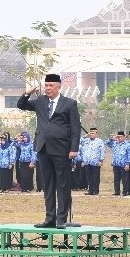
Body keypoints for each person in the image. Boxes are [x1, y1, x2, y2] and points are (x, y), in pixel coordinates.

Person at [16, 74, 81, 228]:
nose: (48, 88)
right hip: (43, 147)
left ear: (59, 87)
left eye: (51, 85)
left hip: (62, 150)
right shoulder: (40, 101)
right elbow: (21, 105)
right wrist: (28, 93)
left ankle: (61, 219)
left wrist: (74, 149)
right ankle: (49, 218)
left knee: (63, 184)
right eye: (46, 85)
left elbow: (76, 129)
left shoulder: (69, 104)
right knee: (48, 184)